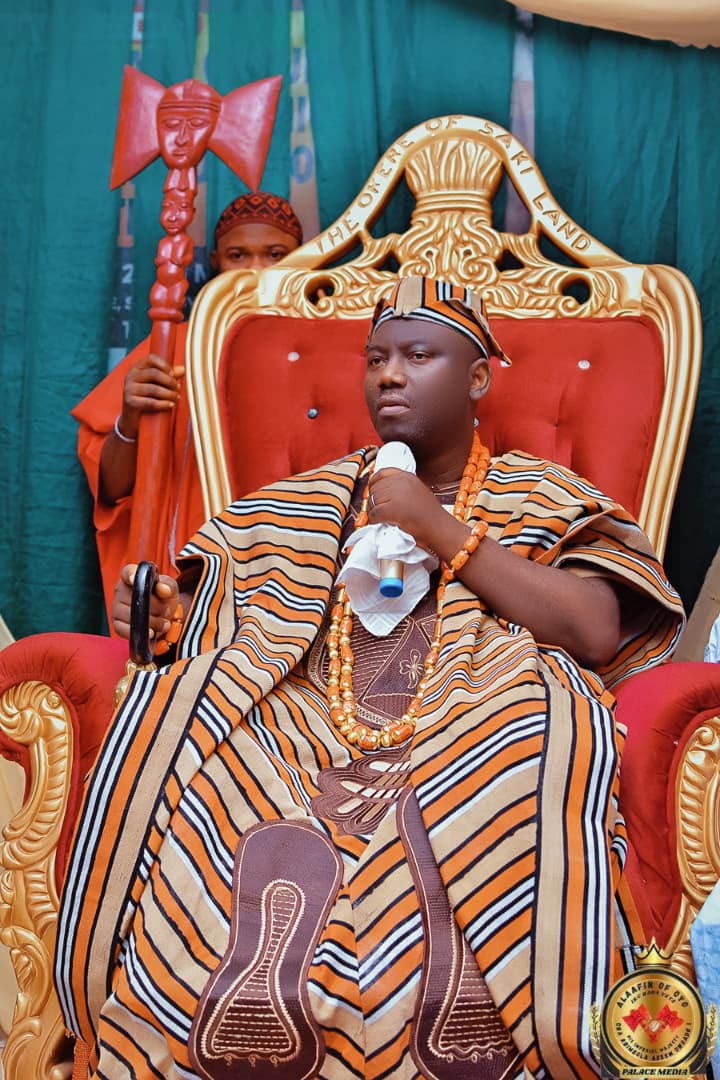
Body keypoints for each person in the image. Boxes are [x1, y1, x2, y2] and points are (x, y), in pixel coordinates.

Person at [56, 276, 683, 1080]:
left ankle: (465, 993)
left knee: (539, 734)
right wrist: (166, 617)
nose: (389, 374)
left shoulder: (540, 493)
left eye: (419, 356)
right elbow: (217, 622)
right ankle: (245, 1001)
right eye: (376, 357)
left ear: (478, 378)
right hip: (304, 725)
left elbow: (595, 629)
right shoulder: (303, 503)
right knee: (182, 722)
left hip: (478, 715)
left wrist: (438, 527)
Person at [72, 191, 303, 624]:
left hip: (296, 573)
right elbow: (112, 488)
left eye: (275, 255)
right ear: (215, 262)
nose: (255, 271)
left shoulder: (325, 343)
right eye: (238, 255)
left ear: (304, 260)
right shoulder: (179, 344)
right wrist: (131, 418)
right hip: (188, 582)